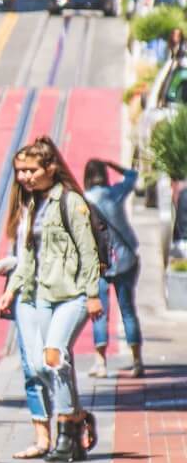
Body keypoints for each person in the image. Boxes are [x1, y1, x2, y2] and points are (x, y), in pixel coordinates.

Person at [0, 136, 102, 463]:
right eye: (19, 172)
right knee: (44, 365)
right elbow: (27, 256)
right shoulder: (28, 206)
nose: (24, 177)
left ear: (50, 168)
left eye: (30, 170)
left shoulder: (71, 203)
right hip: (41, 294)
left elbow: (88, 251)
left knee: (55, 356)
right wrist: (12, 288)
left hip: (72, 294)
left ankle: (68, 434)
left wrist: (93, 295)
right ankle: (77, 419)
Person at [82, 157, 143, 378]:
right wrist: (113, 164)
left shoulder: (83, 199)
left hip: (100, 263)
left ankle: (100, 363)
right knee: (128, 311)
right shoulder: (116, 193)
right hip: (125, 259)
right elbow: (133, 176)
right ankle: (137, 361)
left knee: (100, 314)